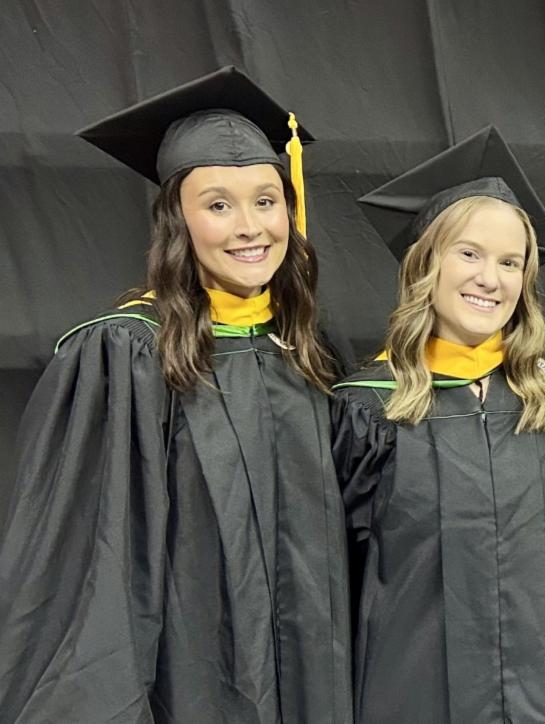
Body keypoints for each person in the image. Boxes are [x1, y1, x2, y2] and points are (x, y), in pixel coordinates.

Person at [0, 66, 353, 722]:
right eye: (218, 205)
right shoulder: (124, 354)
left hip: (313, 682)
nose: (250, 227)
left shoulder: (307, 351)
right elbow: (91, 567)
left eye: (266, 200)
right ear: (177, 220)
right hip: (190, 687)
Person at [332, 126, 545, 723]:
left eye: (510, 262)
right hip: (408, 701)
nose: (491, 278)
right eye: (469, 254)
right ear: (425, 264)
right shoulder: (369, 410)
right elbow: (335, 580)